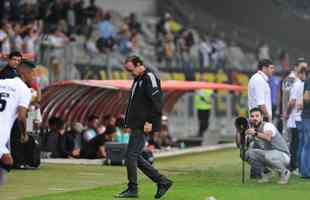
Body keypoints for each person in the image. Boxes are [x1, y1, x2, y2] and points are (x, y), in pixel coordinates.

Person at [115, 56, 172, 199]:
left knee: (131, 156)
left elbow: (157, 101)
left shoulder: (149, 77)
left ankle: (133, 189)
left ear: (139, 64)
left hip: (144, 124)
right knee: (135, 156)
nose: (130, 73)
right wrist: (128, 123)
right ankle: (162, 181)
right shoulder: (138, 79)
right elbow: (136, 104)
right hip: (137, 124)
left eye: (131, 69)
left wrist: (149, 121)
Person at [0, 59, 35, 184]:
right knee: (7, 162)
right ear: (24, 72)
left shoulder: (2, 81)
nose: (33, 77)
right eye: (32, 73)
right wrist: (24, 133)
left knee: (7, 160)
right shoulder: (24, 90)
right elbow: (21, 116)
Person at [244, 108, 291, 184]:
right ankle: (267, 173)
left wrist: (255, 133)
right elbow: (241, 144)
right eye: (252, 116)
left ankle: (284, 172)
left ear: (261, 117)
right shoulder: (253, 129)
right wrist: (240, 131)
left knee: (268, 155)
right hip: (270, 154)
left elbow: (268, 138)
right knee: (248, 154)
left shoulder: (267, 125)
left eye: (257, 116)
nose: (254, 118)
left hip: (283, 155)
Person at [284, 66, 306, 173]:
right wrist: (287, 114)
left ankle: (296, 165)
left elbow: (291, 102)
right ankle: (294, 166)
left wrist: (287, 114)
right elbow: (292, 102)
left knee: (297, 143)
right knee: (296, 144)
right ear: (300, 74)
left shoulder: (299, 84)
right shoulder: (297, 84)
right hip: (297, 118)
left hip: (297, 118)